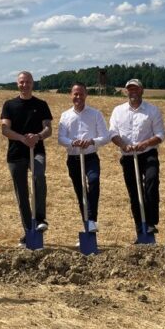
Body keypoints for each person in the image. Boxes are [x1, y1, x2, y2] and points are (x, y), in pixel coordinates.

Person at [0, 71, 53, 247]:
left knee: (39, 176)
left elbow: (48, 129)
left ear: (32, 84)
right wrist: (23, 138)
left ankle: (40, 218)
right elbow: (5, 130)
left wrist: (37, 136)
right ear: (18, 84)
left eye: (28, 82)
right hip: (16, 154)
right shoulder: (9, 105)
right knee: (21, 193)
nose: (25, 85)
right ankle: (28, 231)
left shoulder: (41, 104)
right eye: (22, 82)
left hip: (36, 151)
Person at [109, 78, 165, 238]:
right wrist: (123, 145)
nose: (133, 92)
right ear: (127, 91)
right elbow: (113, 133)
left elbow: (161, 135)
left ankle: (151, 222)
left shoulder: (152, 110)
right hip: (128, 156)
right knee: (135, 193)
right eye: (130, 89)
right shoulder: (118, 111)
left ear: (142, 91)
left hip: (148, 154)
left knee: (152, 181)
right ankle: (141, 231)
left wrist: (145, 143)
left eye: (136, 89)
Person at [57, 82, 110, 233]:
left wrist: (92, 141)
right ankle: (87, 225)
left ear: (86, 95)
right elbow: (61, 138)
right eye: (75, 94)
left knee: (93, 181)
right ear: (71, 95)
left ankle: (92, 220)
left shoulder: (95, 114)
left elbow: (105, 137)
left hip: (90, 157)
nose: (78, 97)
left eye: (81, 94)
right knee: (81, 192)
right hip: (73, 159)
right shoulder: (65, 116)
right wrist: (73, 143)